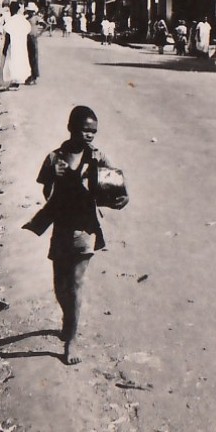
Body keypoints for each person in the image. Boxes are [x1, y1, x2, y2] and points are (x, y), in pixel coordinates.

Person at [24, 106, 126, 365]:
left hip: (86, 229)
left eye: (93, 131)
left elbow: (117, 190)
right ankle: (68, 317)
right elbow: (46, 194)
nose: (89, 135)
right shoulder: (54, 158)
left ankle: (71, 339)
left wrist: (120, 198)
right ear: (70, 128)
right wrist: (54, 179)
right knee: (60, 284)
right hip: (61, 227)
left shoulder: (98, 157)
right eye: (84, 130)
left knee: (77, 283)